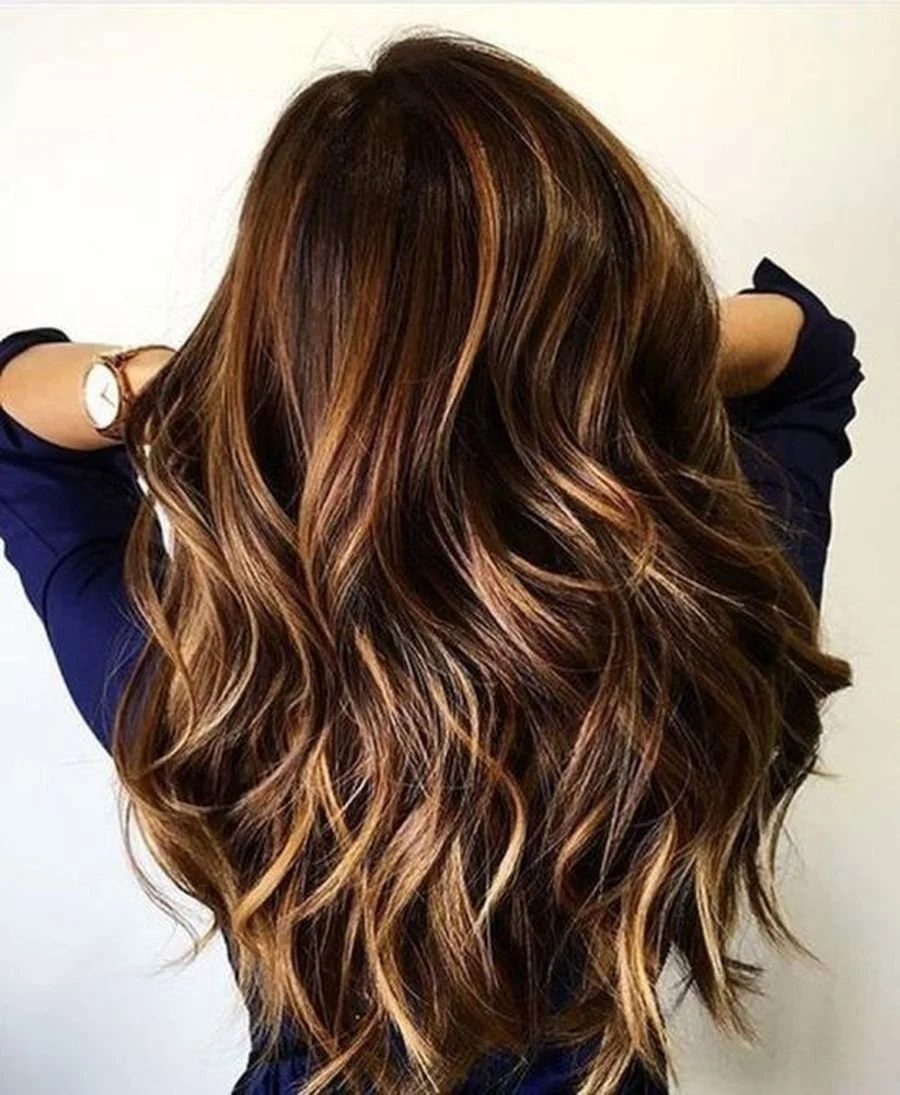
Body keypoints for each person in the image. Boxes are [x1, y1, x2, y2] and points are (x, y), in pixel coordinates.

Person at [0, 30, 864, 1095]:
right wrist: (622, 353)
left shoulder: (197, 688)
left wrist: (188, 383)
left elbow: (17, 420)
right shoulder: (713, 632)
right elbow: (810, 356)